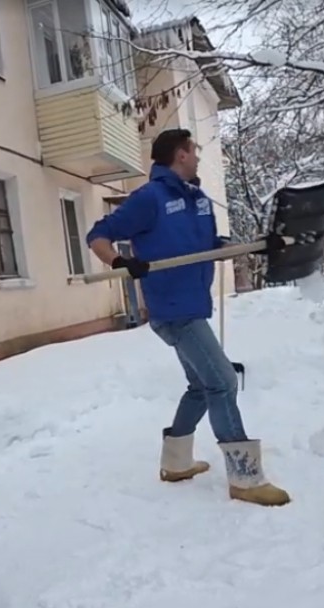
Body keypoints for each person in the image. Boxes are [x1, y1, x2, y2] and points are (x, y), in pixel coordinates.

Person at [84, 128, 290, 507]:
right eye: (193, 151)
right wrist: (120, 261)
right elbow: (98, 235)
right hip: (172, 309)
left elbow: (212, 247)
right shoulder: (150, 198)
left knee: (201, 385)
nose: (197, 157)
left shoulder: (198, 200)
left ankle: (176, 463)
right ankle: (244, 478)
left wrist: (257, 247)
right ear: (180, 154)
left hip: (194, 305)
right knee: (223, 381)